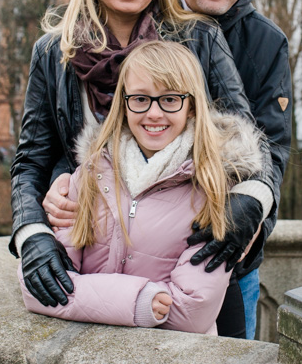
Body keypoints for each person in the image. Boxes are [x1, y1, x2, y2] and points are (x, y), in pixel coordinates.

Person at [12, 0, 275, 331]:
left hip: (187, 268)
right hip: (91, 279)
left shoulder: (200, 39)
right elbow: (30, 163)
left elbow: (248, 147)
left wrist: (253, 201)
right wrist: (32, 235)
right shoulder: (52, 52)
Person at [17, 42, 265, 333]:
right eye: (140, 99)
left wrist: (87, 297)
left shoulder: (217, 189)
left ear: (192, 105)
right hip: (88, 361)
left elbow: (191, 313)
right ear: (124, 103)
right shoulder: (91, 173)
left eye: (170, 99)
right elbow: (40, 289)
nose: (154, 113)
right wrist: (140, 302)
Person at [176, 0, 292, 340]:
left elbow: (273, 147)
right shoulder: (145, 17)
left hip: (228, 259)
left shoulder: (267, 42)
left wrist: (255, 205)